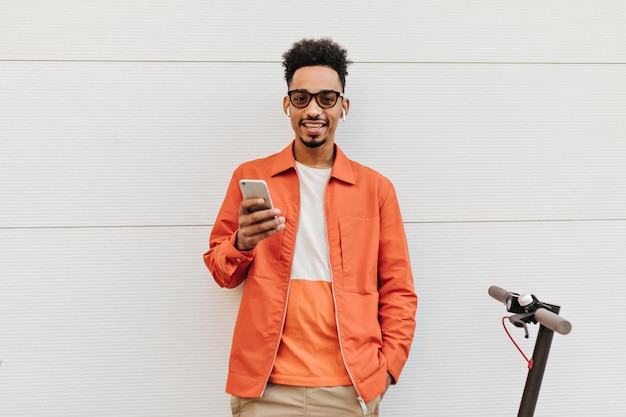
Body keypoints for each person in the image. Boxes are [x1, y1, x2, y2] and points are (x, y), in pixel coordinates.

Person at [204, 38, 417, 417]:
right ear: (287, 105)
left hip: (350, 385)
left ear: (343, 106)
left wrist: (386, 371)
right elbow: (221, 272)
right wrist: (241, 242)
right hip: (265, 387)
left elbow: (399, 290)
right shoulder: (250, 176)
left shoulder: (376, 189)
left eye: (326, 98)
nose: (313, 110)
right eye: (301, 98)